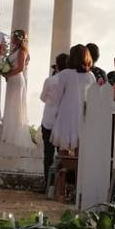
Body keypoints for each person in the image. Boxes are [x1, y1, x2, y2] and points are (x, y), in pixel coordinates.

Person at [49, 44, 97, 151]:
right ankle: (77, 167)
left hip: (66, 113)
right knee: (80, 145)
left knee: (64, 145)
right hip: (83, 113)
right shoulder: (90, 76)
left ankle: (66, 166)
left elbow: (57, 96)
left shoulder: (65, 74)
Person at [40, 52, 68, 192]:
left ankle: (48, 184)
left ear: (57, 66)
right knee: (62, 155)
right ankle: (60, 186)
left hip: (48, 120)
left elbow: (42, 98)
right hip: (63, 122)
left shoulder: (50, 80)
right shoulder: (69, 81)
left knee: (48, 154)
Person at [0, 29, 34, 148]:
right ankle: (8, 133)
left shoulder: (22, 51)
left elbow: (20, 68)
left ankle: (14, 135)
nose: (12, 39)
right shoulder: (14, 50)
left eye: (13, 37)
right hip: (12, 81)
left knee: (16, 106)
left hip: (17, 80)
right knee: (10, 105)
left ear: (17, 39)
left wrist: (8, 74)